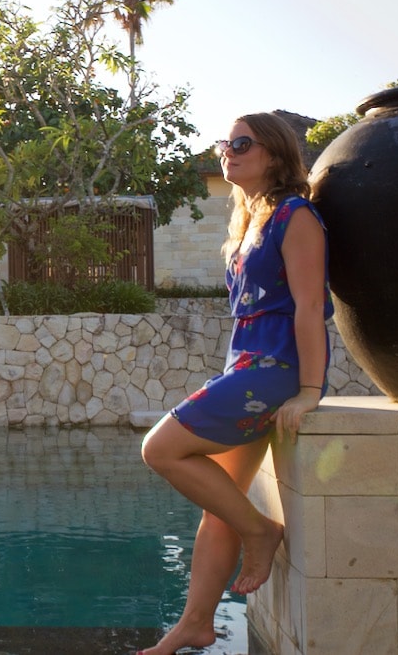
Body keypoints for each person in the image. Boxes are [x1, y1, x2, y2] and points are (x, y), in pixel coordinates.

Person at [136, 112, 333, 655]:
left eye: (242, 143)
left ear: (273, 153)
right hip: (244, 365)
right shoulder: (252, 221)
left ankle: (261, 532)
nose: (229, 151)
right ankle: (195, 624)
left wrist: (310, 390)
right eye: (226, 142)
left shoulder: (297, 216)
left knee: (161, 448)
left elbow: (310, 306)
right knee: (219, 504)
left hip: (273, 370)